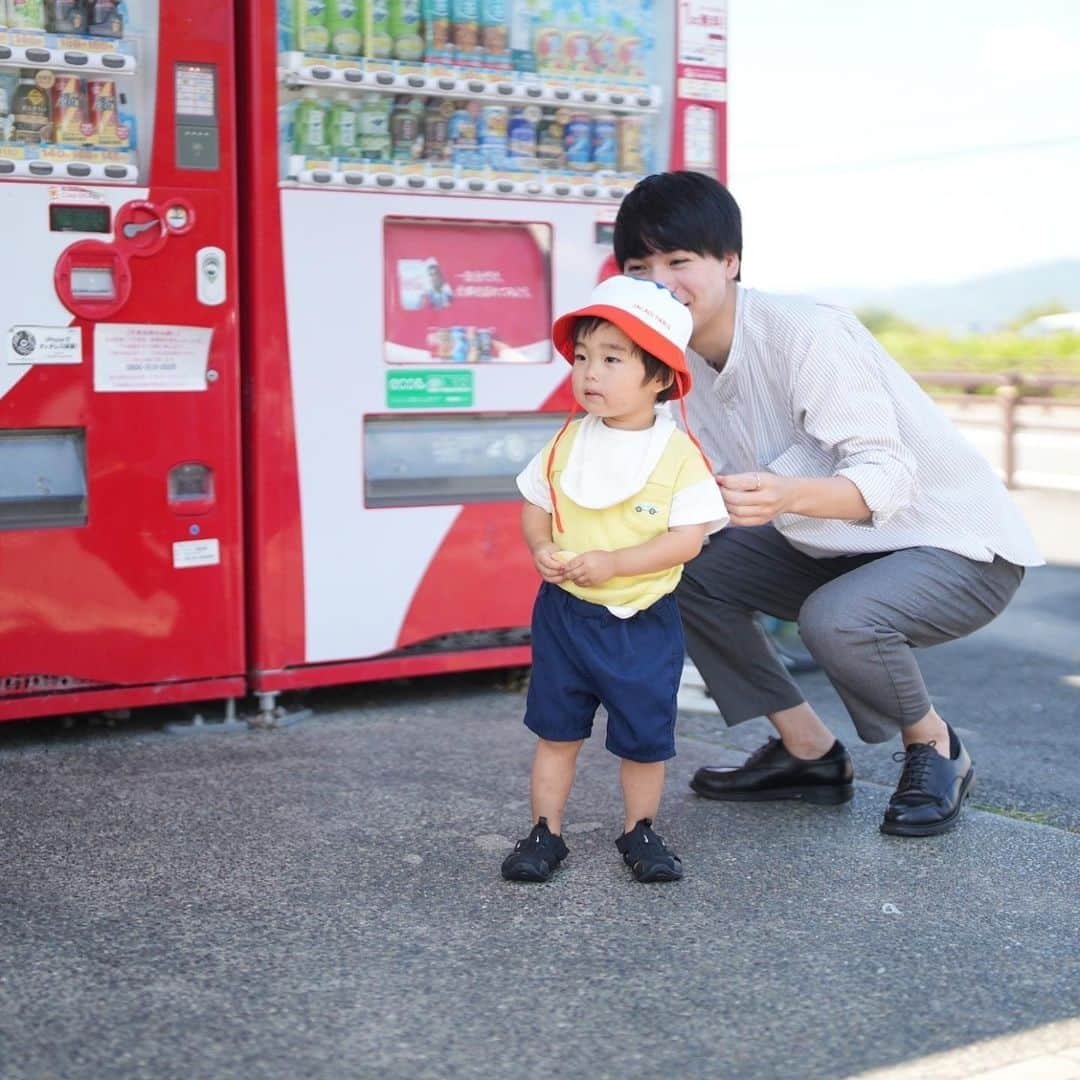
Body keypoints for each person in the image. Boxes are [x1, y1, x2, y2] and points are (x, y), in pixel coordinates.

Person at [611, 170, 1044, 838]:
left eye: (679, 260)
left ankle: (935, 748)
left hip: (953, 548)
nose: (661, 282)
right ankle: (807, 751)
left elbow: (889, 475)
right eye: (639, 267)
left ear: (729, 262)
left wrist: (784, 492)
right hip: (831, 543)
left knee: (836, 619)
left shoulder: (804, 332)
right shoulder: (674, 359)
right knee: (686, 567)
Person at [502, 274, 729, 883]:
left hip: (642, 619)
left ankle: (640, 830)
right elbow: (535, 502)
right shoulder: (566, 440)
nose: (589, 374)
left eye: (610, 359)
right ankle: (546, 832)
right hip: (566, 615)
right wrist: (542, 545)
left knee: (643, 738)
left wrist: (616, 564)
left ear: (659, 377)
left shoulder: (678, 453)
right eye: (581, 358)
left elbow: (689, 538)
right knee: (556, 731)